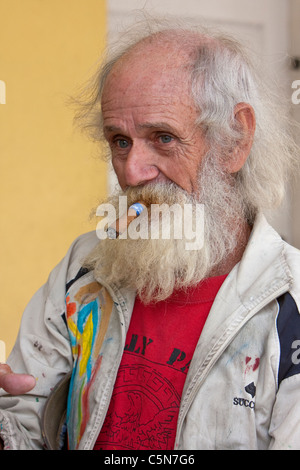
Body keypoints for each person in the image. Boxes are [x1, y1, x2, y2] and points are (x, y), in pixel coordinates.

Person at [0, 18, 300, 450]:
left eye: (163, 137)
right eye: (120, 141)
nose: (133, 171)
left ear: (235, 141)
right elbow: (24, 425)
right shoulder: (85, 269)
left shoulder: (289, 309)